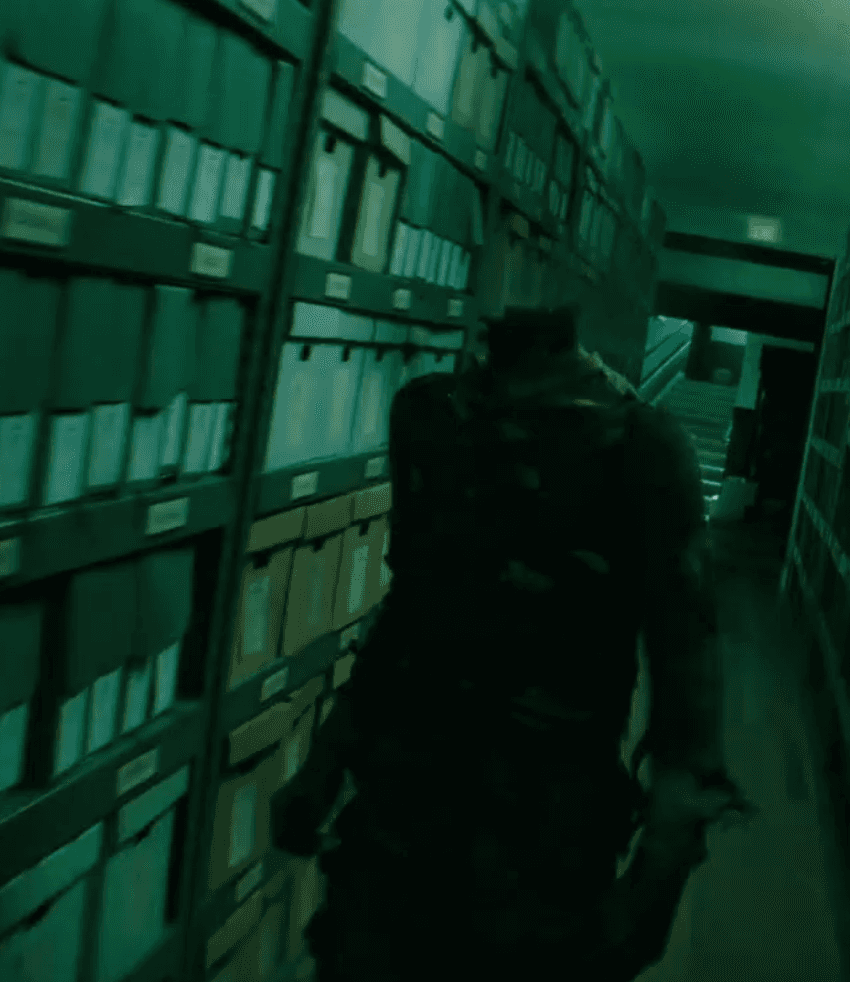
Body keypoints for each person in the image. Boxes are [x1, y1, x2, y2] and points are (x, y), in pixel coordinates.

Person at [271, 304, 749, 980]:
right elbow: (410, 610)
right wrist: (323, 768)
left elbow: (688, 677)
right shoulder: (431, 414)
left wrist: (651, 891)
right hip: (397, 823)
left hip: (541, 848)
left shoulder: (641, 446)